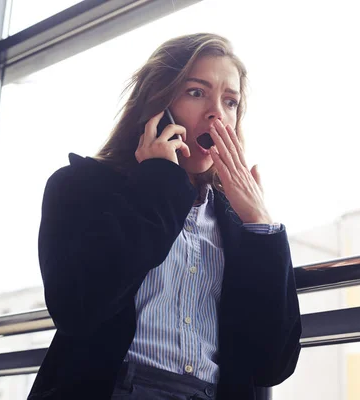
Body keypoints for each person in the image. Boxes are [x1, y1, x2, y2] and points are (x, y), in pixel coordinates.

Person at [27, 33, 301, 400]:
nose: (217, 112)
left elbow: (272, 364)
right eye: (196, 92)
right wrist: (159, 182)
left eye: (231, 101)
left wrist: (261, 226)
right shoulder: (78, 186)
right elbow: (78, 306)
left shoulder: (239, 224)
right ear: (158, 101)